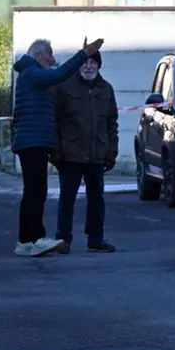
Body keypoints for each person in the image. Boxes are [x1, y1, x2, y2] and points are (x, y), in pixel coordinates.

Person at [11, 36, 104, 257]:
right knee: (36, 192)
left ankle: (25, 240)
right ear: (39, 56)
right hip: (33, 142)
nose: (52, 59)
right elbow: (58, 74)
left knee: (32, 191)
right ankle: (34, 238)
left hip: (33, 141)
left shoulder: (29, 74)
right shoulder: (32, 74)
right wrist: (84, 54)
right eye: (50, 54)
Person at [51, 51, 118, 254]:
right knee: (67, 198)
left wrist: (112, 149)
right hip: (70, 152)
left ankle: (95, 238)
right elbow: (54, 120)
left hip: (97, 152)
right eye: (85, 62)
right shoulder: (64, 87)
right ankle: (63, 239)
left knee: (97, 197)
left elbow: (111, 122)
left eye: (93, 62)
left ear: (98, 66)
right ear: (79, 65)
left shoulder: (106, 89)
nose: (89, 66)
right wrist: (55, 149)